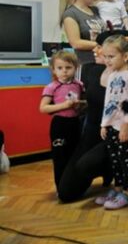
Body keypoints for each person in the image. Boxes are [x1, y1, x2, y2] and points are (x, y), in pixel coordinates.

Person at [56, 29, 128, 203]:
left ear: (124, 56)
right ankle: (116, 185)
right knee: (66, 192)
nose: (96, 51)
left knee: (117, 160)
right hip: (98, 131)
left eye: (102, 49)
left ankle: (125, 190)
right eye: (100, 49)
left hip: (119, 130)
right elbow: (104, 104)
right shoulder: (94, 71)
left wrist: (127, 125)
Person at [94, 35, 128, 210]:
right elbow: (109, 102)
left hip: (124, 128)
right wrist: (104, 124)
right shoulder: (113, 75)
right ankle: (118, 188)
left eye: (111, 56)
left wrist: (127, 125)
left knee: (124, 160)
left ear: (126, 56)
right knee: (114, 160)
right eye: (105, 56)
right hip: (111, 126)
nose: (107, 60)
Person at [39, 51, 84, 189]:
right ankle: (61, 187)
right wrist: (64, 105)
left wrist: (81, 104)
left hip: (75, 123)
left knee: (74, 155)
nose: (64, 71)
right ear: (53, 69)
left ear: (75, 68)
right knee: (60, 157)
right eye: (60, 68)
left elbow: (82, 106)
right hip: (60, 125)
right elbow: (43, 108)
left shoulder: (79, 84)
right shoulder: (52, 86)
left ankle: (74, 185)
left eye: (68, 68)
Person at [61, 0, 106, 83]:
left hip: (102, 61)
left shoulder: (95, 10)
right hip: (86, 64)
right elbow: (76, 43)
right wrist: (103, 45)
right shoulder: (71, 14)